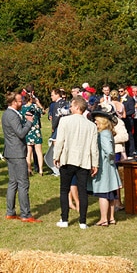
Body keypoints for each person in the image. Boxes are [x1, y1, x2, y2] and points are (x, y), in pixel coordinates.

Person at [52, 96, 98, 228]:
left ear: (77, 107)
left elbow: (60, 141)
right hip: (84, 161)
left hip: (67, 159)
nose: (69, 108)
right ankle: (82, 221)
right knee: (83, 191)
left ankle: (64, 219)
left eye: (71, 106)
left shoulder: (65, 121)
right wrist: (95, 163)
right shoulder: (91, 125)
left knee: (64, 190)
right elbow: (93, 148)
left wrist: (56, 156)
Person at [2, 91, 37, 222]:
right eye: (19, 101)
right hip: (16, 153)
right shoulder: (11, 115)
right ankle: (25, 214)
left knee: (13, 183)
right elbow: (21, 133)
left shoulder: (8, 114)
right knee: (23, 183)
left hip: (11, 152)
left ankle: (10, 212)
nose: (21, 102)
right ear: (13, 102)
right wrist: (29, 122)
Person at [88, 111, 122, 226]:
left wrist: (110, 160)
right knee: (111, 194)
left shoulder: (103, 134)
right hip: (109, 167)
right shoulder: (107, 133)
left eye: (96, 120)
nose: (95, 122)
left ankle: (104, 219)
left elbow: (109, 151)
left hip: (104, 168)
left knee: (103, 194)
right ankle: (111, 217)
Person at [21, 91, 45, 175]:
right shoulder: (35, 106)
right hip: (36, 130)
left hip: (27, 131)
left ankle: (29, 169)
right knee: (39, 151)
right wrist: (38, 103)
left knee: (28, 152)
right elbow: (43, 112)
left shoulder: (22, 108)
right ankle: (41, 170)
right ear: (31, 99)